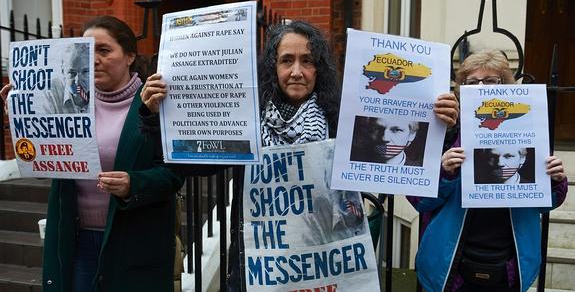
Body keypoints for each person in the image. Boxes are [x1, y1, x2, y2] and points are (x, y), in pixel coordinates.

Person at [140, 20, 459, 291]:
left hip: (328, 271)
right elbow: (191, 168)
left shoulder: (343, 122)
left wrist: (437, 125)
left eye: (307, 61)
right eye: (286, 60)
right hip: (259, 271)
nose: (296, 71)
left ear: (319, 69)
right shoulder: (246, 122)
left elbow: (396, 173)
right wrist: (156, 117)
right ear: (273, 67)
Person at [1, 16, 184, 292]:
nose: (94, 59)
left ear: (130, 55)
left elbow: (174, 174)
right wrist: (24, 118)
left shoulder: (154, 101)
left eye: (104, 50)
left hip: (133, 241)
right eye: (87, 50)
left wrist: (133, 185)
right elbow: (45, 161)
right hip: (78, 241)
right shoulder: (66, 101)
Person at [408, 49, 568, 292]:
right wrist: (445, 172)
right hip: (452, 266)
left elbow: (545, 203)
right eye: (472, 83)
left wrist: (555, 181)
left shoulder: (528, 129)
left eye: (492, 80)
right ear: (461, 90)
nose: (482, 88)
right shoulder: (444, 130)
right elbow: (419, 201)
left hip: (508, 268)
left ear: (508, 86)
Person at [350, 116, 424, 166]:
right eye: (376, 129)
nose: (384, 138)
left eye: (396, 130)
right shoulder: (351, 160)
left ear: (412, 135)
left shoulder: (422, 171)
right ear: (367, 131)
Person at [44, 42, 91, 113]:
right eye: (72, 73)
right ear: (63, 71)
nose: (77, 81)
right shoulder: (51, 93)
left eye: (85, 72)